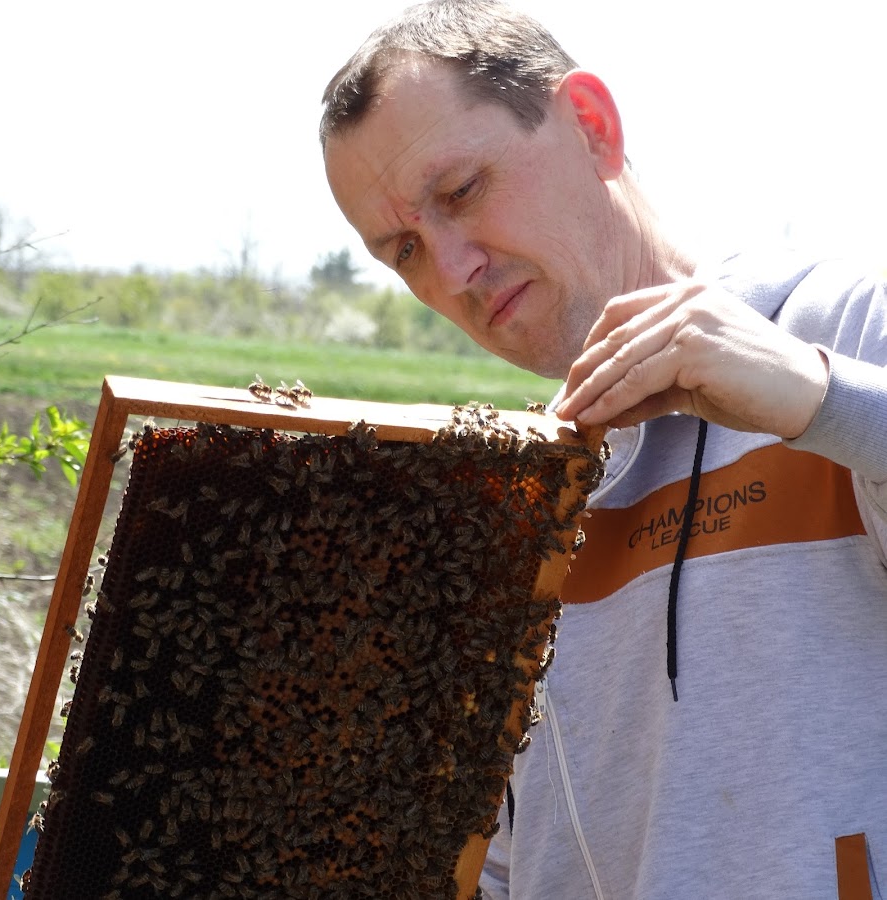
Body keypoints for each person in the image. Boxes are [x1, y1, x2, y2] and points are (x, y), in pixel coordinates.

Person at [319, 2, 887, 897]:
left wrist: (821, 399)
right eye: (405, 250)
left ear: (591, 126)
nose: (453, 269)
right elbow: (505, 853)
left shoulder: (845, 329)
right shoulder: (522, 497)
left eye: (461, 190)